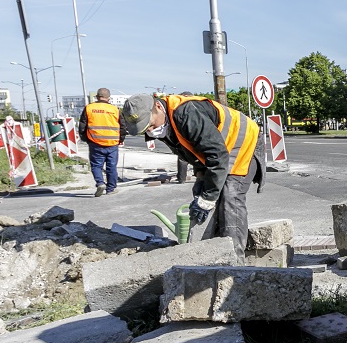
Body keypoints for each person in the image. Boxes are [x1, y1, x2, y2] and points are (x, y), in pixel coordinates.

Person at [119, 92, 264, 251]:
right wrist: (201, 177)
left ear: (158, 107)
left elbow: (217, 155)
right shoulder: (165, 123)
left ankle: (234, 262)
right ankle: (216, 250)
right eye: (145, 129)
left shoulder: (186, 114)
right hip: (221, 149)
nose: (151, 131)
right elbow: (195, 151)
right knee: (212, 193)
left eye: (151, 124)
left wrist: (208, 198)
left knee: (230, 195)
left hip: (243, 140)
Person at [80, 87, 121, 196]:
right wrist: (120, 140)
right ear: (109, 98)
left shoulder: (89, 108)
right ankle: (111, 189)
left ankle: (100, 183)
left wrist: (87, 140)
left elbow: (82, 126)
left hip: (95, 143)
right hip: (112, 144)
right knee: (111, 166)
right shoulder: (115, 109)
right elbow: (122, 126)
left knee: (96, 165)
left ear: (97, 97)